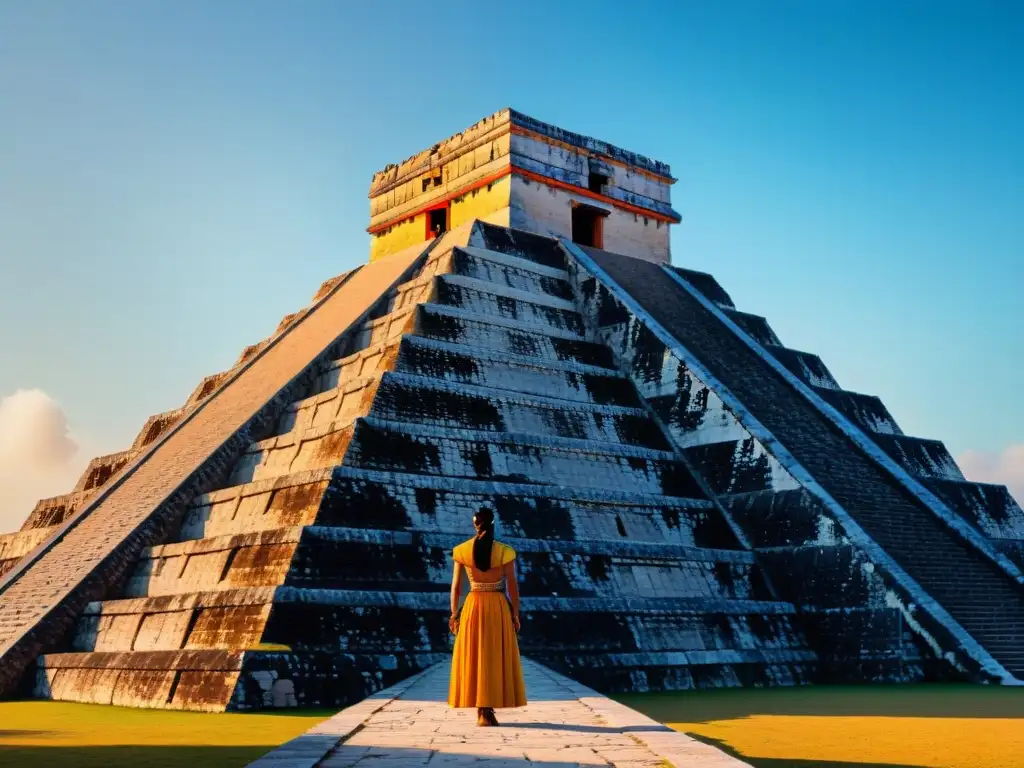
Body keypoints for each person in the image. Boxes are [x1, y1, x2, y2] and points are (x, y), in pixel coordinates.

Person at [447, 507, 527, 726]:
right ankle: (488, 707)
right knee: (494, 656)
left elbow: (456, 587)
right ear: (493, 524)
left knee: (475, 656)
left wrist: (454, 614)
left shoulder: (462, 551)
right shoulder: (504, 551)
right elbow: (512, 587)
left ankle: (481, 708)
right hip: (498, 607)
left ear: (475, 525)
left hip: (473, 604)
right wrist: (516, 613)